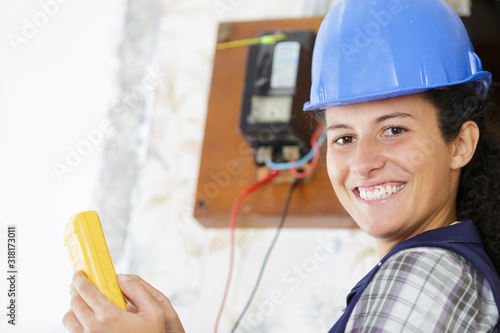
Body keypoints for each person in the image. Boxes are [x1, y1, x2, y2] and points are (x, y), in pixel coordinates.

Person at [63, 0, 500, 332]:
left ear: (460, 144)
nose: (363, 163)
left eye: (394, 130)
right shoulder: (430, 273)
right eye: (344, 138)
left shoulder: (427, 274)